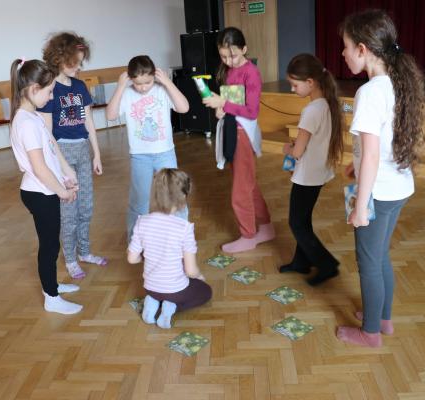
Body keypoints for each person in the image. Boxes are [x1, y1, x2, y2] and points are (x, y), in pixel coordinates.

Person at [337, 9, 425, 347]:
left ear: (362, 49)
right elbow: (380, 144)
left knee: (369, 263)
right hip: (398, 186)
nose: (343, 53)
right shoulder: (397, 82)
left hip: (379, 192)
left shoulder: (370, 92)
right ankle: (382, 319)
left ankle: (370, 333)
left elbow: (373, 155)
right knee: (380, 255)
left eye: (346, 47)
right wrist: (356, 164)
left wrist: (361, 207)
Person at [9, 58, 83, 314]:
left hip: (45, 189)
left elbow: (51, 144)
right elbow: (39, 168)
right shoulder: (26, 123)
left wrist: (66, 171)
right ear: (33, 89)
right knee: (50, 246)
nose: (51, 97)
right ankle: (51, 297)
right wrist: (62, 191)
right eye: (49, 92)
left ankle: (52, 285)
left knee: (52, 244)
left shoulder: (33, 116)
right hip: (39, 193)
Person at [38, 32, 106, 280]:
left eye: (80, 62)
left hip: (83, 150)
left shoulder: (79, 86)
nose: (78, 67)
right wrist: (62, 165)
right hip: (62, 154)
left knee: (86, 207)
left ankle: (84, 251)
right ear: (59, 59)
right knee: (69, 211)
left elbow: (89, 121)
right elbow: (47, 134)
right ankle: (69, 258)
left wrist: (96, 154)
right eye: (73, 62)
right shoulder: (49, 89)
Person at [203, 27, 274, 253]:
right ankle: (266, 228)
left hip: (244, 133)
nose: (228, 61)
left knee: (240, 190)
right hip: (232, 130)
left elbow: (251, 111)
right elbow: (232, 101)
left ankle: (248, 235)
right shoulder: (228, 70)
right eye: (223, 56)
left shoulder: (251, 73)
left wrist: (223, 103)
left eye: (232, 55)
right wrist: (221, 108)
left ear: (244, 49)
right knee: (247, 184)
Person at [106, 55, 190, 240]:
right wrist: (120, 87)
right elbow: (111, 116)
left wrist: (167, 82)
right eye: (138, 83)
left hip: (165, 153)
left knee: (175, 195)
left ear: (155, 76)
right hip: (140, 156)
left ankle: (182, 239)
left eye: (148, 82)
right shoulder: (127, 93)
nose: (143, 87)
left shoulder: (162, 90)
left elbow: (184, 108)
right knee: (139, 201)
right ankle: (135, 242)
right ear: (130, 79)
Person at [279, 54, 344, 286]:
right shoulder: (327, 104)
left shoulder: (312, 111)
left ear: (310, 82)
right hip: (318, 173)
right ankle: (301, 262)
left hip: (308, 176)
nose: (292, 89)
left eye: (294, 85)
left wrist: (287, 148)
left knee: (296, 223)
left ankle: (327, 265)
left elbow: (297, 152)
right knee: (303, 220)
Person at [127, 169, 212, 329]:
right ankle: (170, 307)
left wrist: (144, 256)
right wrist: (199, 276)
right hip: (176, 291)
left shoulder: (141, 222)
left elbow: (132, 259)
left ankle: (152, 302)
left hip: (151, 288)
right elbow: (190, 270)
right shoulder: (184, 228)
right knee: (206, 292)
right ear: (183, 198)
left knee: (161, 292)